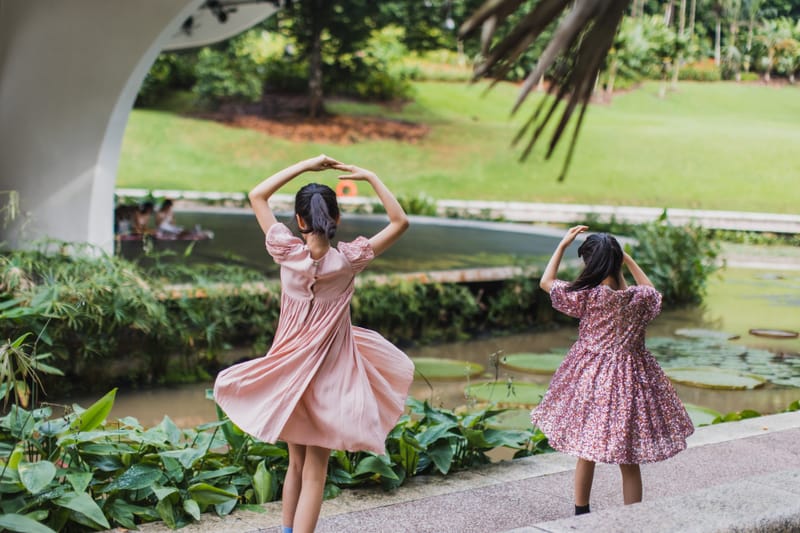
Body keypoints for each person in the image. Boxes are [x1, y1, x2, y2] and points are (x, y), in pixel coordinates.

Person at [213, 155, 414, 533]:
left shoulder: (285, 253)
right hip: (331, 378)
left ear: (300, 221)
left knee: (295, 464)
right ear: (335, 221)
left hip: (289, 376)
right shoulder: (348, 261)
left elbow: (257, 195)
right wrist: (370, 176)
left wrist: (305, 166)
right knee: (315, 474)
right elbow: (401, 222)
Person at [530, 225, 693, 516]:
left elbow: (546, 281)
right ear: (616, 262)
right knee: (629, 459)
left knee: (586, 450)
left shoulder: (589, 296)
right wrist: (627, 259)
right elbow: (653, 291)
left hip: (592, 378)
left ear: (591, 264)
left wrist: (563, 245)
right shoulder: (638, 299)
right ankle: (633, 519)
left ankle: (582, 514)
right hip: (631, 380)